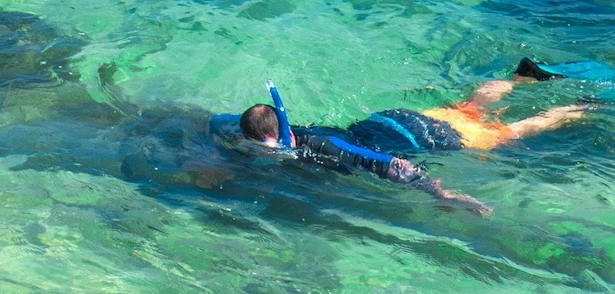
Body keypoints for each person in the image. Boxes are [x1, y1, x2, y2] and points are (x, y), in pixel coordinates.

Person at [235, 62, 590, 216]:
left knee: (510, 132)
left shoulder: (321, 147)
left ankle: (583, 106)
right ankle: (518, 78)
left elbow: (384, 162)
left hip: (430, 137)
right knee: (467, 106)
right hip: (393, 120)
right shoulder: (303, 133)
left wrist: (439, 191)